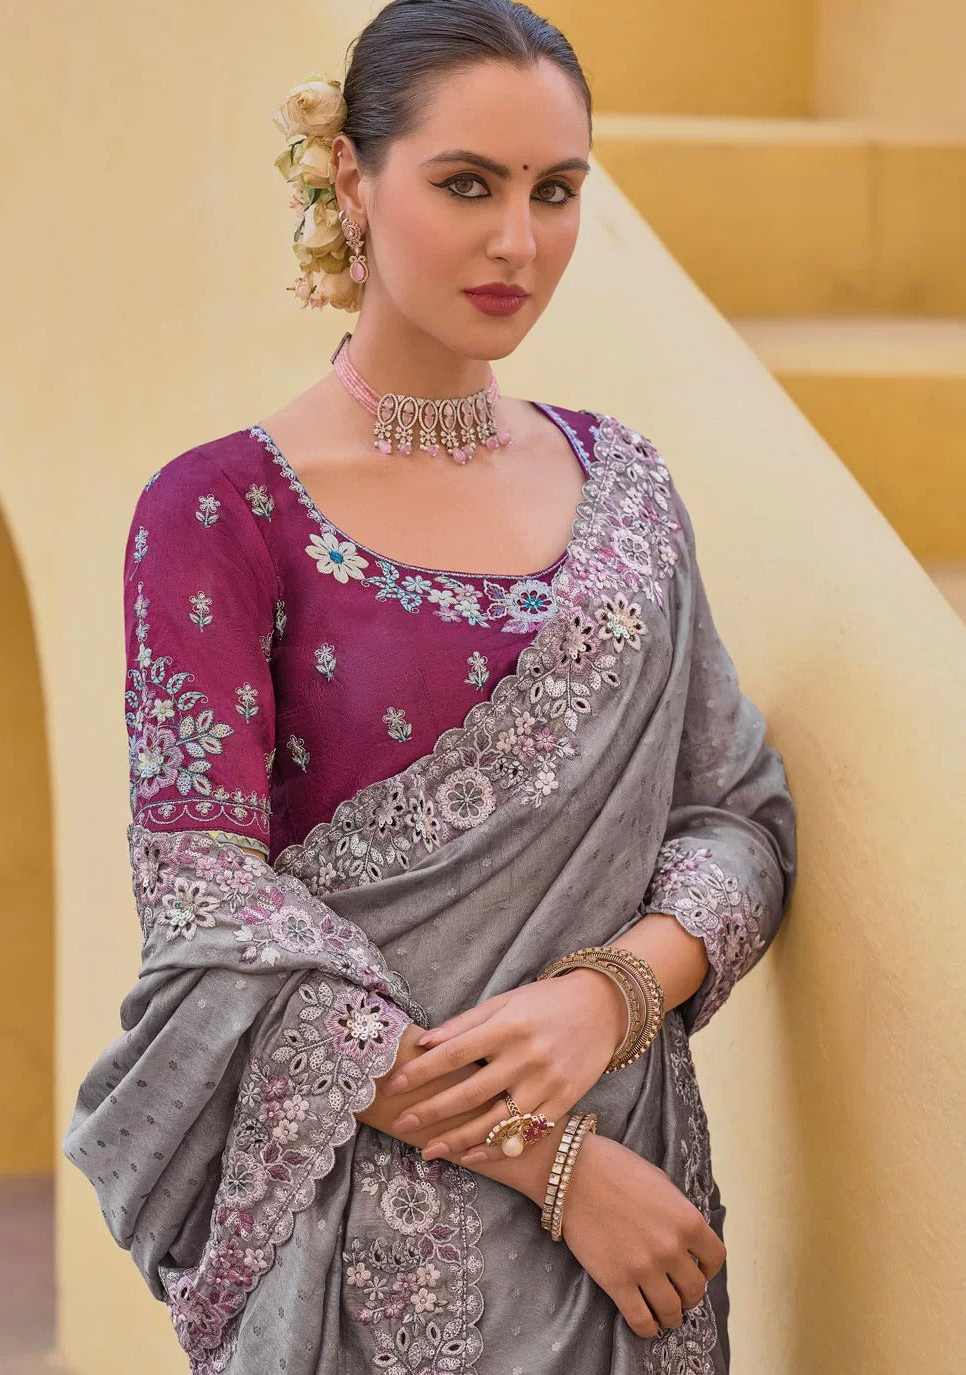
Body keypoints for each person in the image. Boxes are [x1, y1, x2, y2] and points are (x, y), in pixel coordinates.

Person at [62, 2, 798, 1371]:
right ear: (352, 177)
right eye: (467, 183)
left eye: (557, 191)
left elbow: (740, 819)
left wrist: (615, 994)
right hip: (366, 1233)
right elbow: (211, 905)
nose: (518, 242)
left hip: (638, 1221)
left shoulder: (625, 488)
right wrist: (553, 1162)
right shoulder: (220, 514)